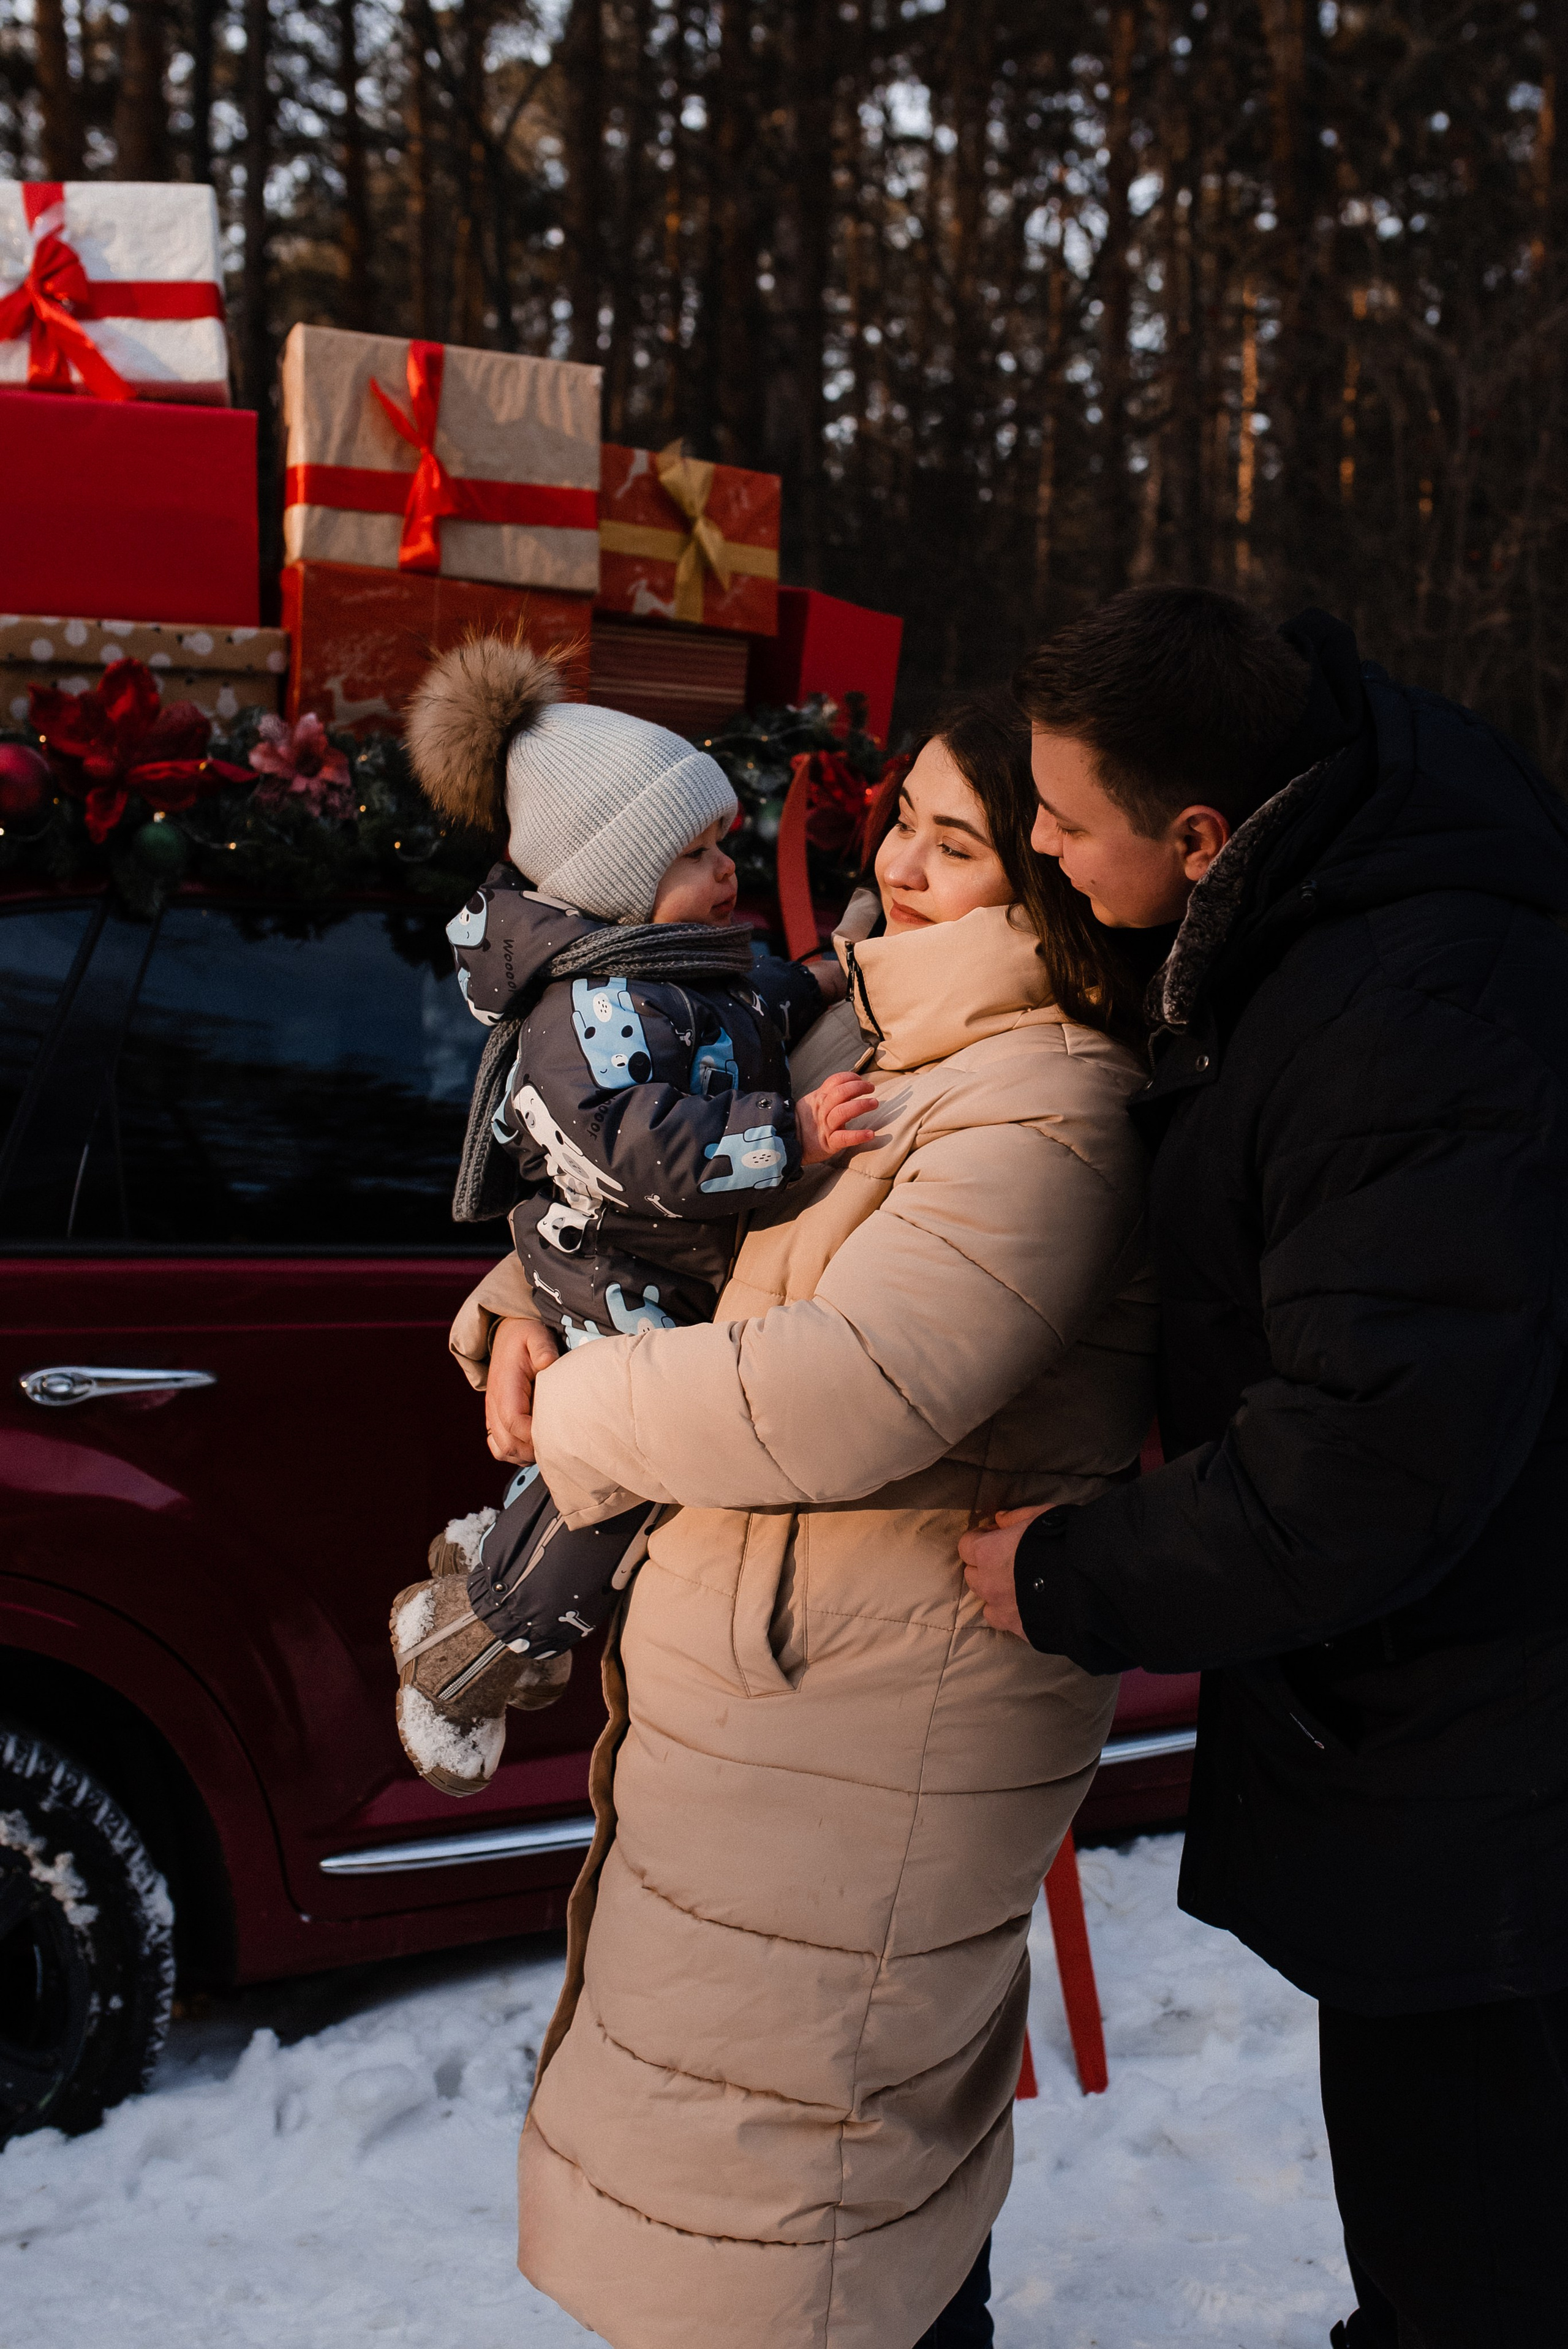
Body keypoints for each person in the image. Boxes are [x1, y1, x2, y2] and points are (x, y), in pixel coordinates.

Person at [451, 696, 1158, 2348]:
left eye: (955, 843)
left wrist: (574, 1419)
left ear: (1052, 877)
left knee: (816, 2223)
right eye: (899, 816)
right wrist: (519, 1306)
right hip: (769, 1724)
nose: (895, 862)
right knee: (765, 2207)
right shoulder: (863, 1035)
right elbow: (669, 1203)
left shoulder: (1048, 1101)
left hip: (870, 1733)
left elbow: (847, 1385)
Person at [960, 587, 1568, 2349]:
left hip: (1485, 1760)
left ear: (1204, 833)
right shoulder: (1364, 898)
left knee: (1476, 2256)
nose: (1043, 850)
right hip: (1451, 1725)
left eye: (1066, 820)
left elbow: (1368, 1449)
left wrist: (1079, 1569)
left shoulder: (1404, 1008)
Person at [387, 636, 871, 1795]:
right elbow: (636, 1148)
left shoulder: (670, 970)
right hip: (617, 1264)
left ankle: (482, 1557)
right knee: (617, 1476)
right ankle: (472, 1646)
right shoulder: (589, 1013)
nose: (729, 873)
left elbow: (761, 1000)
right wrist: (789, 1137)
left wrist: (839, 966)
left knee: (614, 1457)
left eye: (720, 845)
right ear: (614, 880)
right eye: (699, 856)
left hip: (658, 1260)